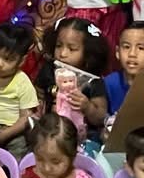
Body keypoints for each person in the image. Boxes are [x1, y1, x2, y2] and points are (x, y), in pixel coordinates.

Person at [37, 15, 110, 147]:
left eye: (72, 49)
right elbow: (37, 98)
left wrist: (87, 107)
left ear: (88, 53)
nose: (63, 53)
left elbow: (100, 117)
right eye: (59, 46)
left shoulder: (93, 81)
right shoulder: (48, 71)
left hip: (81, 139)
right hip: (48, 134)